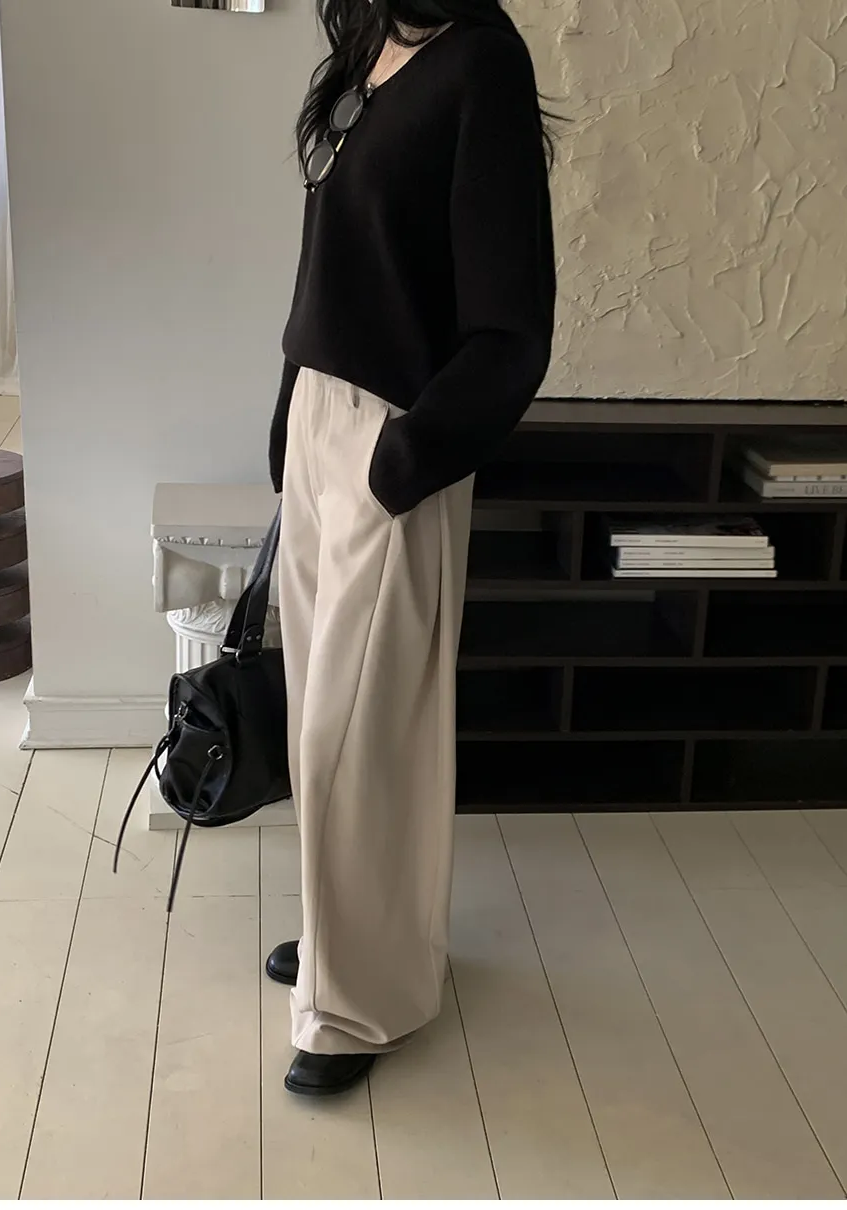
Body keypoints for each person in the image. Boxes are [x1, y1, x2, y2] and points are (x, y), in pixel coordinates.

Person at [266, 0, 557, 1097]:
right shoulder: (371, 47)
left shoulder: (482, 65)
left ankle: (355, 1005)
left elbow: (512, 325)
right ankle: (349, 938)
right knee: (319, 713)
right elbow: (336, 260)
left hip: (393, 437)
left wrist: (407, 456)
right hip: (319, 419)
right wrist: (290, 400)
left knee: (356, 732)